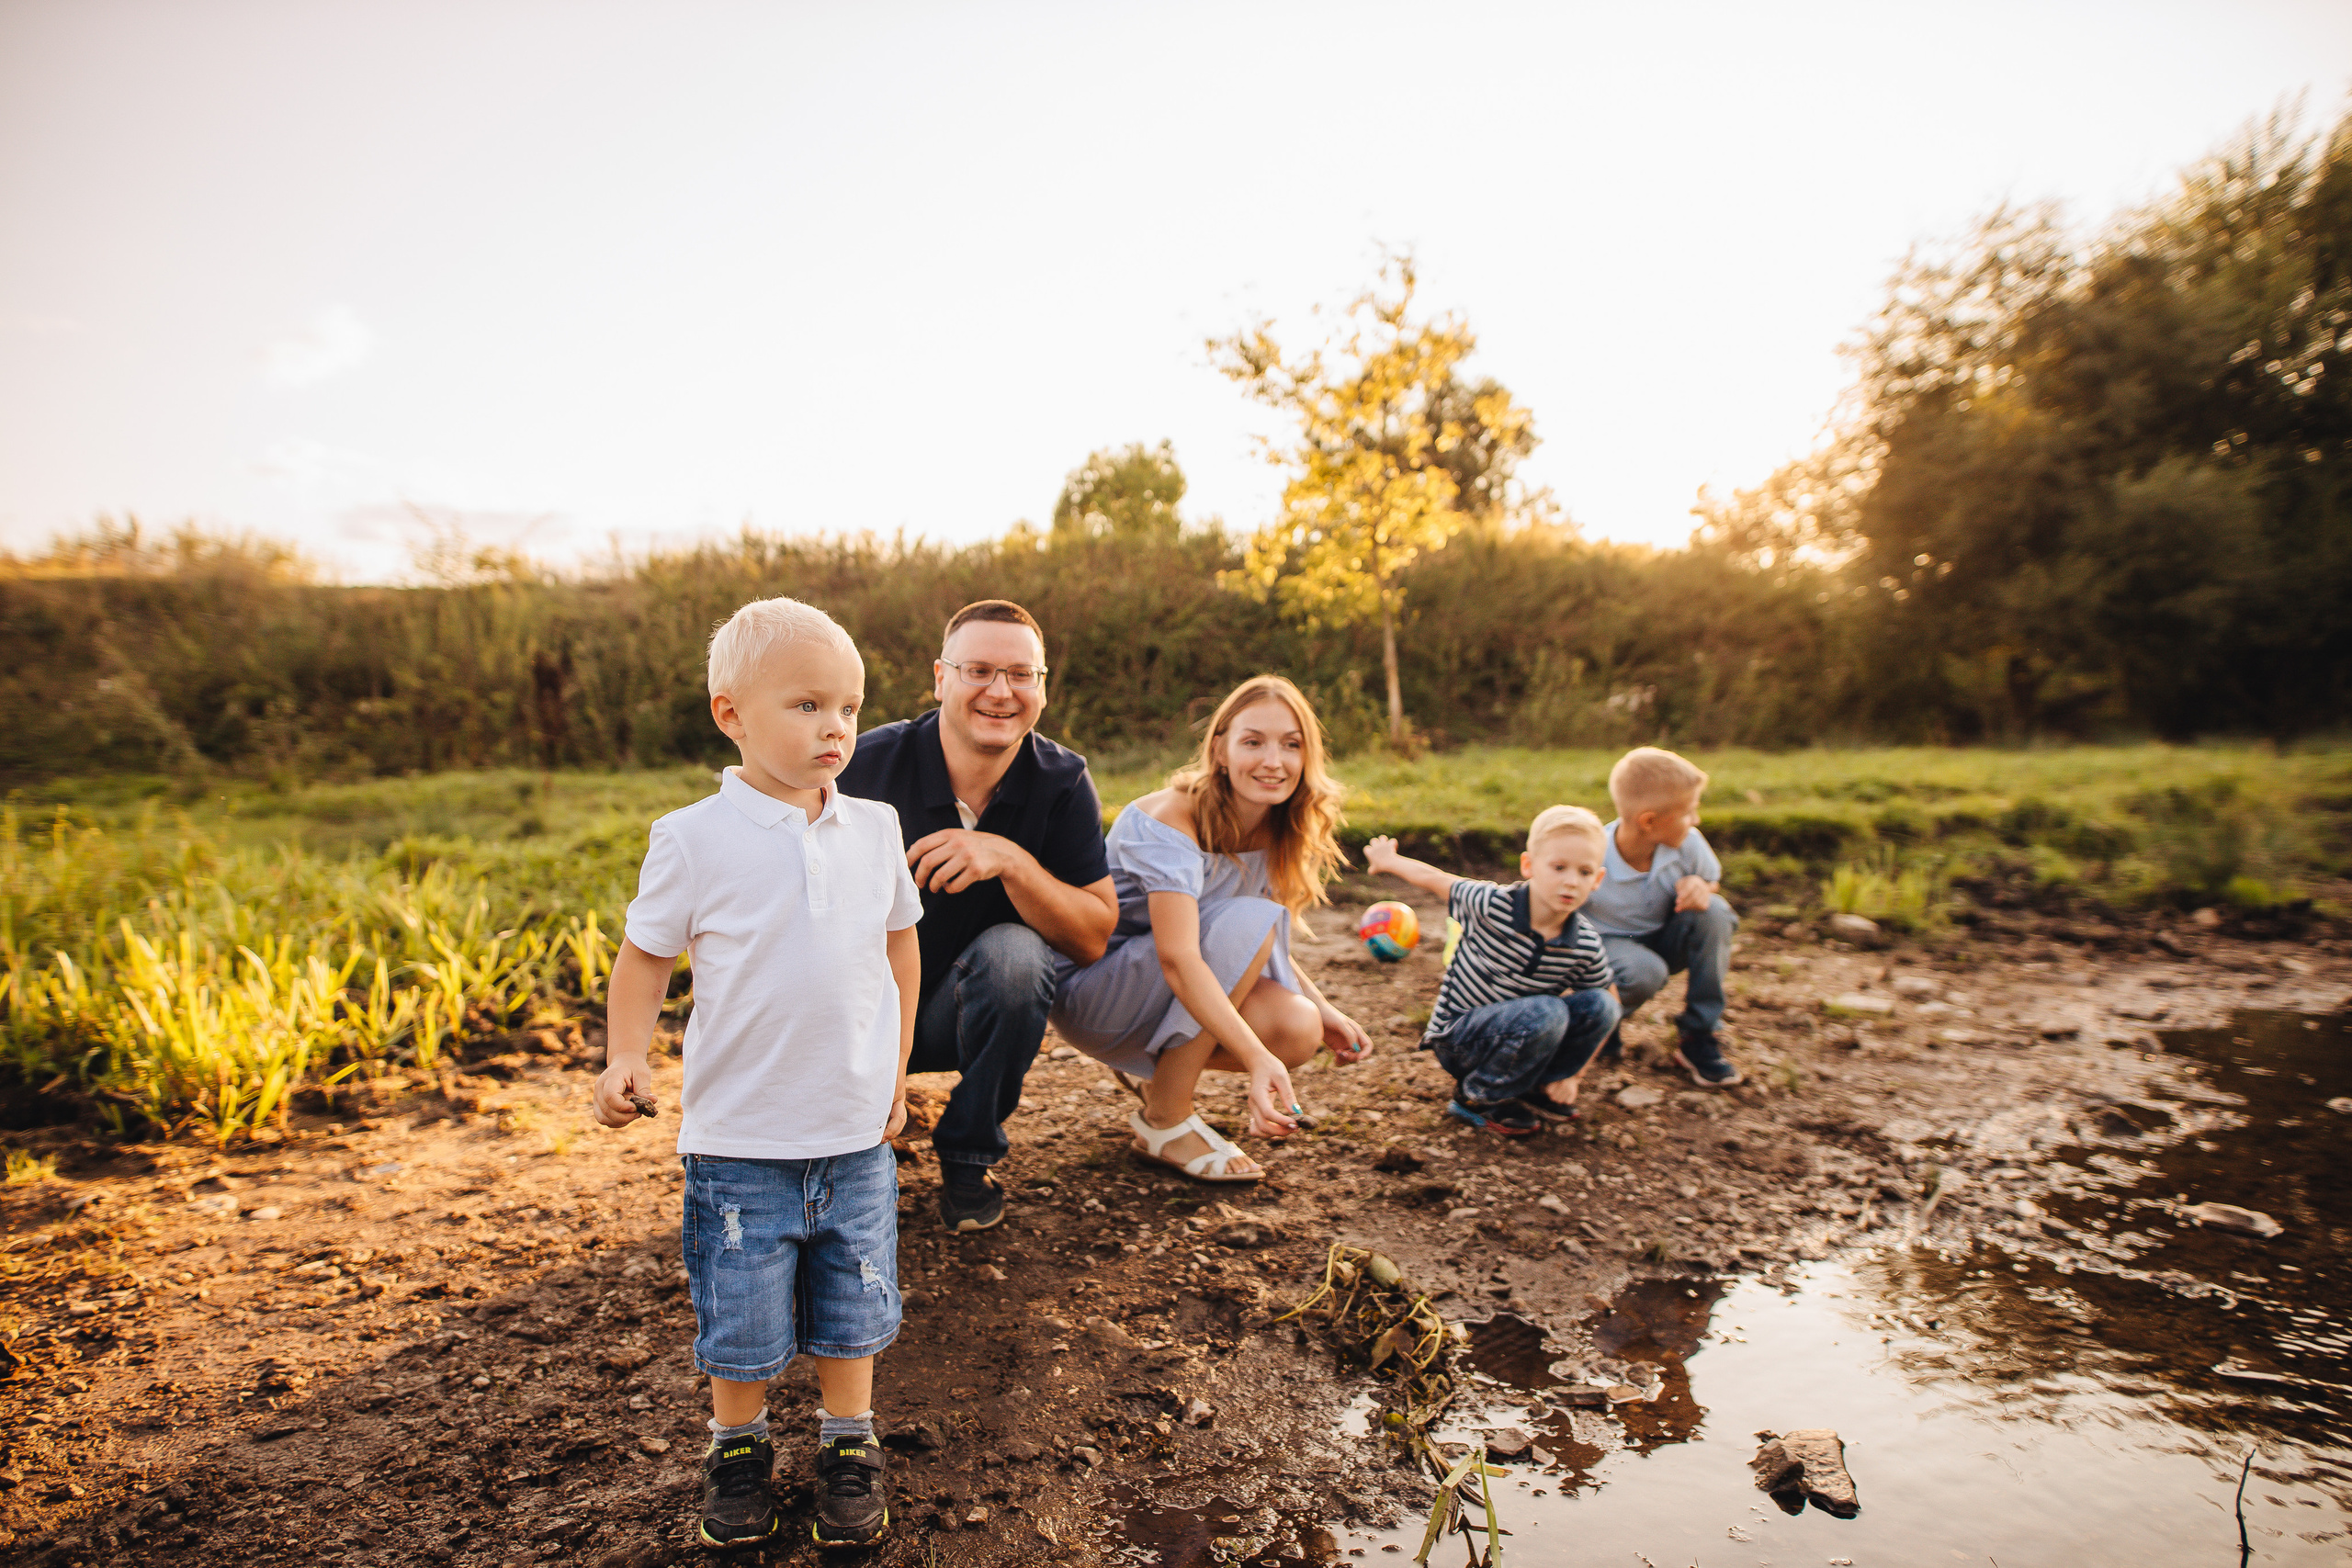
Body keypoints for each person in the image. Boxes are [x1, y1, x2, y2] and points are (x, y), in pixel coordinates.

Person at [593, 596, 922, 1551]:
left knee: (854, 1302)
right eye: (808, 705)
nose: (836, 729)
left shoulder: (874, 827)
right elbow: (645, 957)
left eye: (850, 709)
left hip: (854, 1133)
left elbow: (899, 947)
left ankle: (848, 1445)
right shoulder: (692, 836)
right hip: (739, 1140)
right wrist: (625, 1055)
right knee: (740, 1313)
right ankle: (737, 1449)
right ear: (730, 713)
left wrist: (895, 1068)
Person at [837, 600, 1116, 1234]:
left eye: (1021, 674)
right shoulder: (865, 765)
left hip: (959, 1014)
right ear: (941, 678)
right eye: (979, 670)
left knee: (1019, 957)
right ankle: (844, 1142)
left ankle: (967, 1154)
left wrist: (1010, 860)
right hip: (857, 1014)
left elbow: (1095, 934)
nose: (1000, 690)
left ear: (1042, 687)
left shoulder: (1062, 780)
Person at [1050, 676, 1373, 1182]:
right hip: (1093, 993)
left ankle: (1154, 1079)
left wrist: (1325, 1008)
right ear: (1219, 749)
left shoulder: (1276, 826)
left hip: (1155, 983)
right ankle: (1166, 1118)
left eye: (1292, 744)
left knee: (1299, 1026)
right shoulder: (1171, 819)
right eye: (1253, 742)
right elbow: (1181, 955)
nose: (1274, 760)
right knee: (1247, 924)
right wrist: (1254, 1057)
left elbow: (1247, 941)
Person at [1364, 806, 1623, 1134]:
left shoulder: (1583, 943)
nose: (1571, 882)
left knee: (1601, 1005)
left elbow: (1608, 1002)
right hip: (1462, 1038)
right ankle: (1477, 1096)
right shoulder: (1492, 903)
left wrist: (1574, 1075)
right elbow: (1436, 879)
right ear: (1528, 865)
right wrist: (1388, 860)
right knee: (1549, 1011)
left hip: (1526, 1034)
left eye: (1584, 872)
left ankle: (1539, 1087)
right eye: (1558, 867)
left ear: (1598, 879)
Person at [1586, 745, 1745, 1087]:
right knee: (1646, 971)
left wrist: (1702, 886)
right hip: (1610, 951)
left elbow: (1711, 880)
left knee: (1715, 913)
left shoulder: (1688, 843)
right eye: (1689, 812)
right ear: (1649, 821)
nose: (1696, 820)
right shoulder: (1592, 853)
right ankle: (1600, 1019)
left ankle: (1698, 1034)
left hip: (1665, 937)